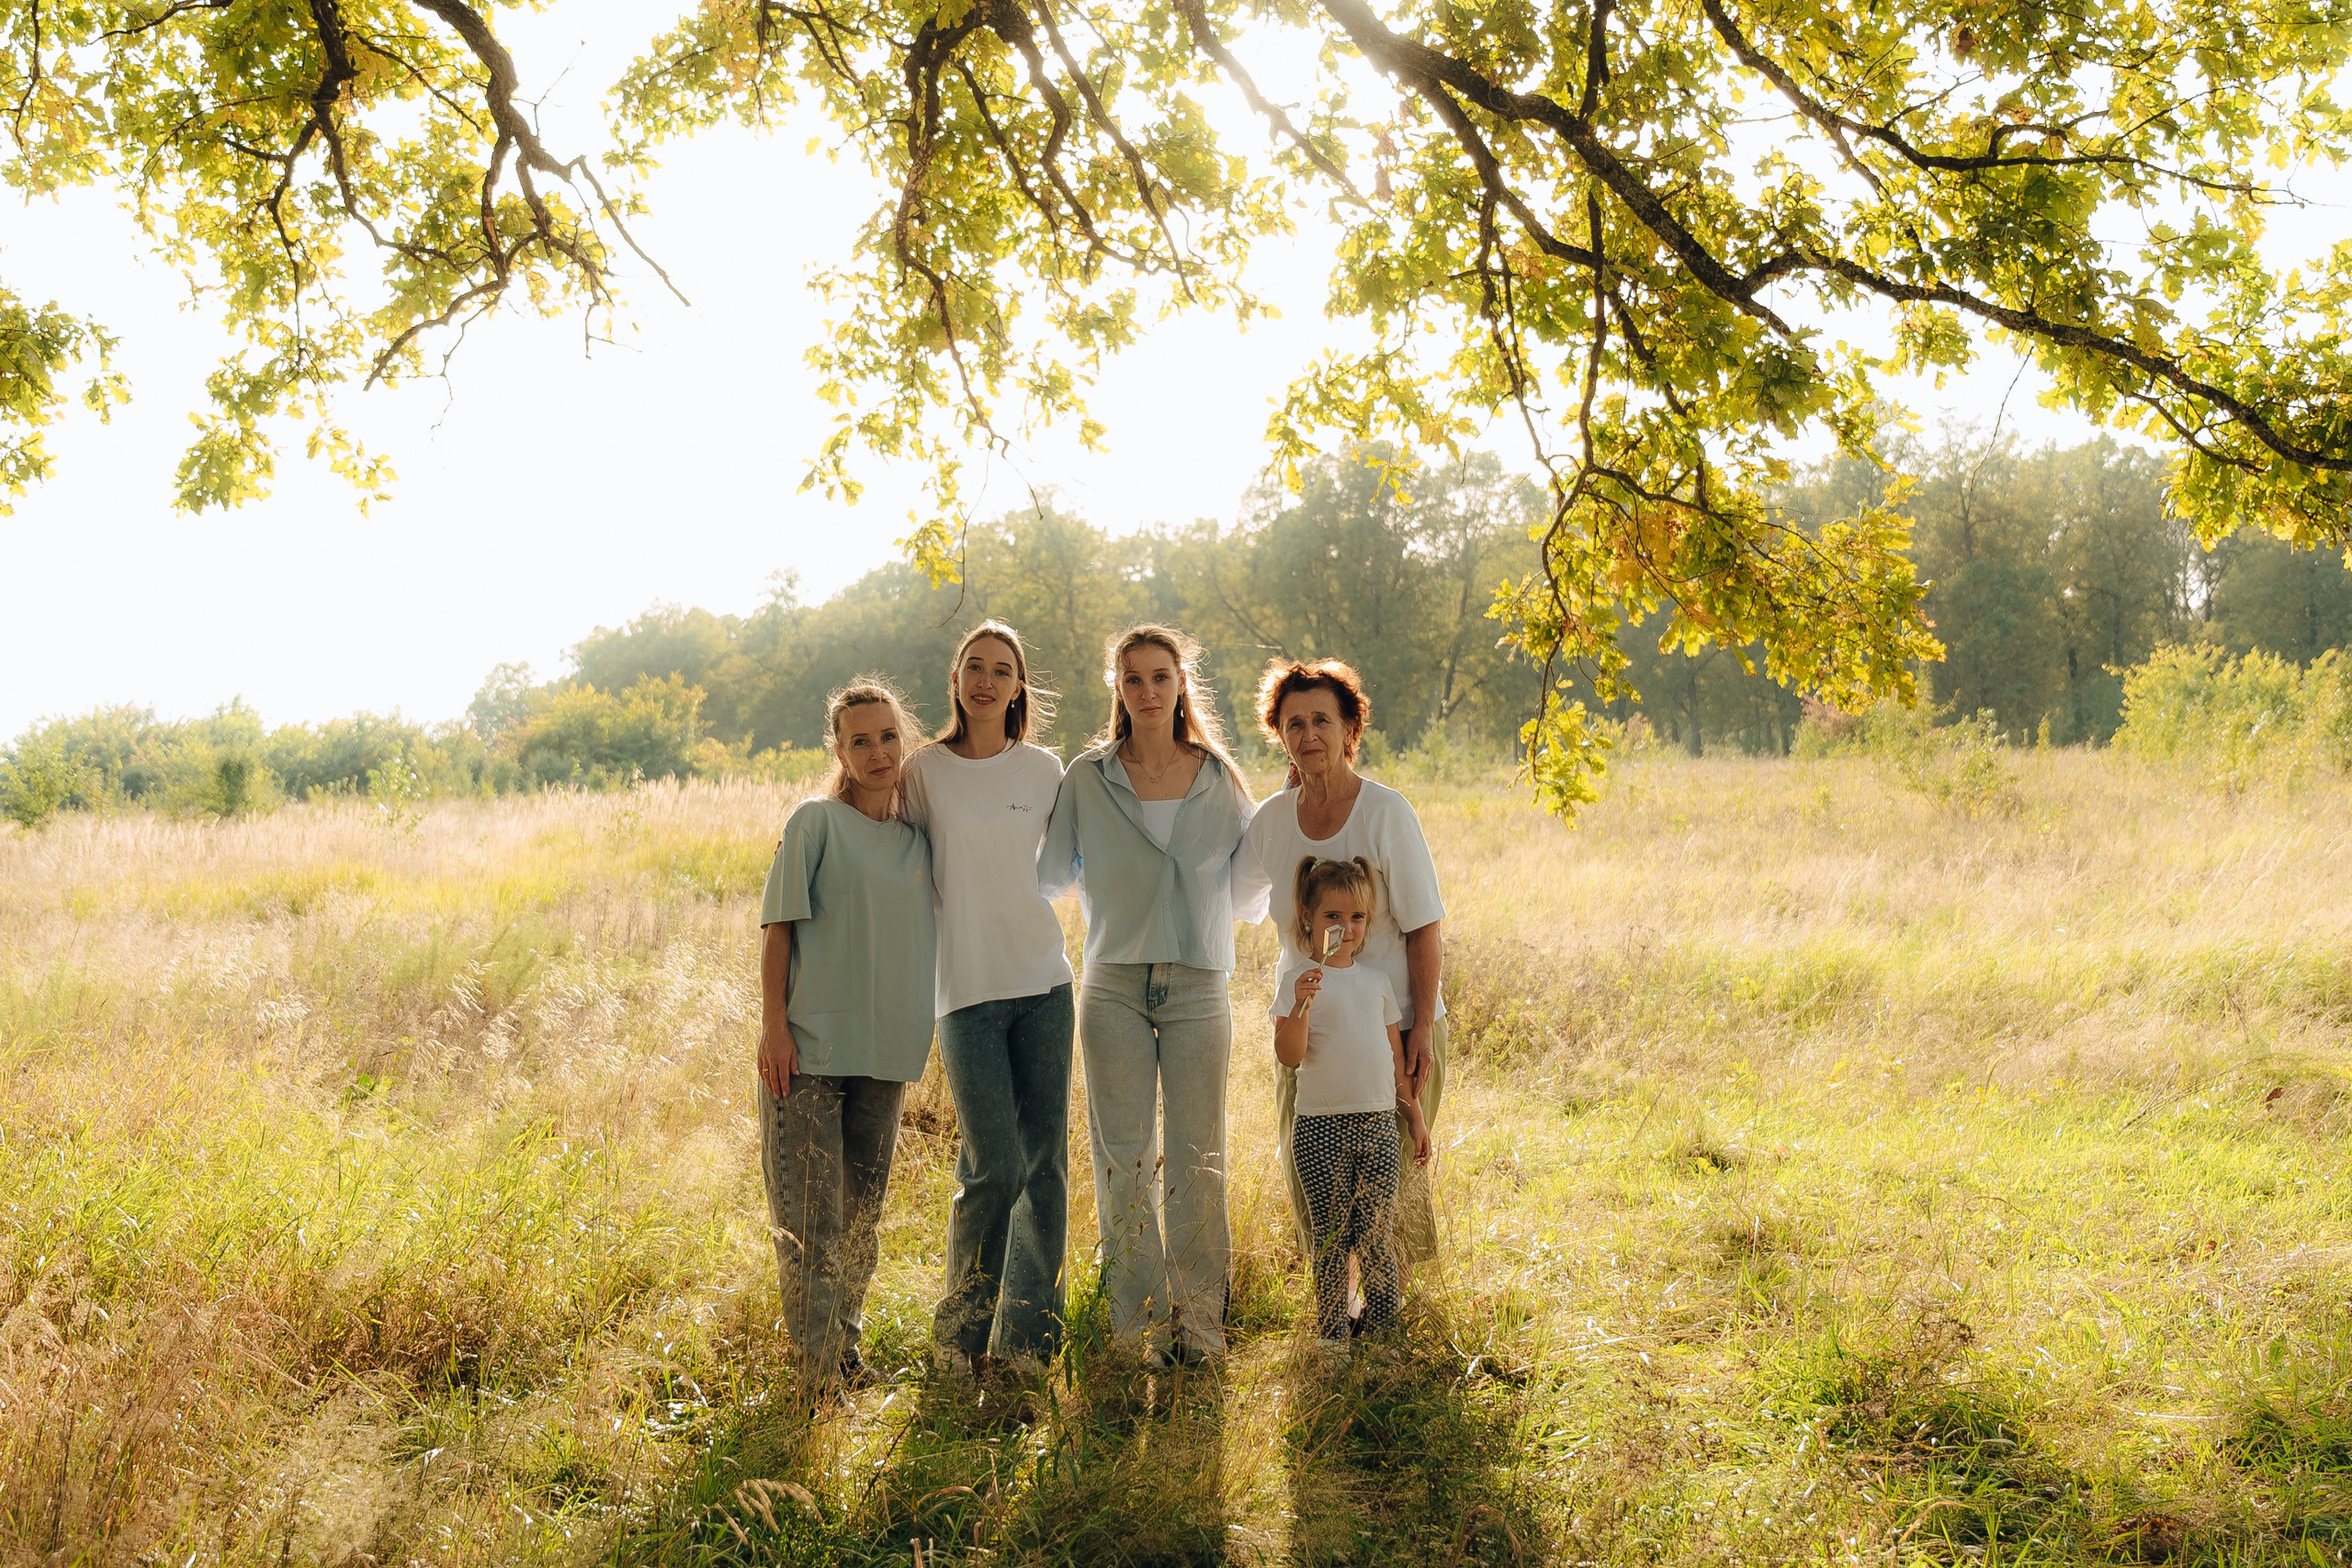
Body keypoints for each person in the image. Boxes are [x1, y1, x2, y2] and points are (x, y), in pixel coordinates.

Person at [1039, 624, 1261, 1364]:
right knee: (1124, 1159)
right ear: (1118, 688)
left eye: (1160, 676)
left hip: (1200, 983)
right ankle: (1136, 1332)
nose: (1147, 690)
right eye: (1132, 679)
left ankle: (1200, 1327)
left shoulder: (1220, 778)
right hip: (1113, 987)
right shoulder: (1087, 776)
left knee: (1200, 1155)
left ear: (1180, 683)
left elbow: (1253, 889)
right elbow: (1049, 876)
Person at [899, 622, 1076, 1375]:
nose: (987, 680)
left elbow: (1074, 857)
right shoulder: (924, 770)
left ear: (1018, 685)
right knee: (992, 1165)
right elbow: (880, 832)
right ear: (957, 677)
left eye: (1002, 669)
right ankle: (958, 1341)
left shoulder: (1044, 770)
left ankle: (1028, 1344)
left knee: (1045, 1166)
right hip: (964, 990)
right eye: (975, 666)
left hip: (1043, 983)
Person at [756, 678, 936, 1395]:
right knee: (809, 1219)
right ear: (839, 749)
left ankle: (846, 1358)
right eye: (859, 740)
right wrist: (774, 1025)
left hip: (885, 1051)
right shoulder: (815, 823)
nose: (877, 750)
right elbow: (780, 931)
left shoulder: (918, 840)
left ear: (904, 741)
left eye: (888, 735)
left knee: (862, 1216)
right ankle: (815, 1375)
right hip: (808, 1051)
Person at [1239, 659, 1449, 1269]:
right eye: (1294, 722)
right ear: (1278, 733)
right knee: (1314, 1182)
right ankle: (1335, 1317)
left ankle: (1391, 1327)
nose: (1309, 734)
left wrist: (1419, 1032)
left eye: (1322, 720)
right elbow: (1241, 897)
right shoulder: (1271, 822)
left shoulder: (1385, 811)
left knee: (1389, 1184)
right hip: (1307, 1034)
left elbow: (1425, 925)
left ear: (1350, 728)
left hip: (1392, 1029)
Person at [1272, 854, 1432, 1345]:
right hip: (1319, 1128)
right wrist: (1300, 1004)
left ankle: (1384, 1336)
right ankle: (1333, 1335)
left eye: (1357, 917)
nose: (1346, 927)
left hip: (1380, 1125)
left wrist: (1416, 1119)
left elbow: (1392, 1060)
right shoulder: (1300, 981)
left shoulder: (1377, 983)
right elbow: (1289, 1055)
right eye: (1333, 917)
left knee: (1378, 1233)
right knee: (1332, 1237)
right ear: (1308, 918)